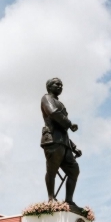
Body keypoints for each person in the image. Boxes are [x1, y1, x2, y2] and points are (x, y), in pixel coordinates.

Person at [40, 78, 82, 207]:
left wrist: (73, 147)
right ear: (49, 86)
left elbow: (63, 129)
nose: (60, 86)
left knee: (74, 170)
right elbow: (53, 113)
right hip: (52, 140)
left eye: (61, 85)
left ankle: (68, 200)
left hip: (64, 142)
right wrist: (69, 123)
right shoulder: (46, 98)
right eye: (57, 84)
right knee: (52, 170)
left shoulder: (61, 103)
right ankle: (51, 198)